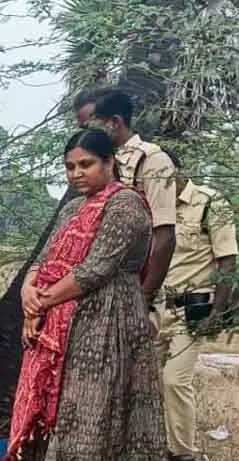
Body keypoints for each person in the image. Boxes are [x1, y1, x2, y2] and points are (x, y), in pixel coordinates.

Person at [5, 128, 168, 461]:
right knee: (62, 421)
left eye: (86, 164)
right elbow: (44, 258)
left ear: (109, 162)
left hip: (109, 325)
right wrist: (27, 291)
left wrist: (44, 299)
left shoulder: (127, 205)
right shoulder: (74, 207)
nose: (77, 173)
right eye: (70, 166)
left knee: (96, 425)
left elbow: (96, 270)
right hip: (65, 325)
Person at [157, 150, 239, 461]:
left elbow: (228, 262)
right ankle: (152, 453)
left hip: (190, 308)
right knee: (148, 384)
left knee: (175, 381)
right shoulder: (149, 206)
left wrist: (217, 314)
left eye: (163, 173)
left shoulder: (209, 203)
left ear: (179, 170)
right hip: (153, 306)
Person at [73, 88, 178, 303]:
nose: (84, 136)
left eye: (89, 127)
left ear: (114, 122)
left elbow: (164, 236)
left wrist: (144, 297)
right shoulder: (92, 165)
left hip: (130, 291)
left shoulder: (152, 161)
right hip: (92, 287)